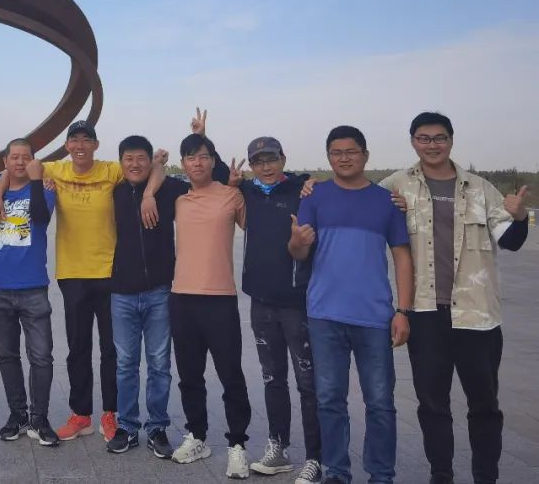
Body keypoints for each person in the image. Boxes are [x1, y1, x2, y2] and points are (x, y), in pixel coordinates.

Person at [381, 112, 529, 484]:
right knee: (432, 404)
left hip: (477, 316)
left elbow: (510, 242)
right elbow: (354, 202)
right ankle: (441, 474)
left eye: (439, 138)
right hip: (425, 314)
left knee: (484, 403)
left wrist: (520, 217)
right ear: (413, 141)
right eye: (424, 138)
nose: (432, 145)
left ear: (451, 140)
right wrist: (308, 189)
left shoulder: (481, 188)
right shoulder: (396, 185)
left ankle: (486, 476)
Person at [0, 119, 164, 442]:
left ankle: (110, 414)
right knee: (78, 347)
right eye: (74, 140)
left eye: (86, 140)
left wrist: (149, 194)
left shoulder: (110, 170)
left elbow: (154, 167)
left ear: (95, 145)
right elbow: (17, 168)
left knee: (111, 349)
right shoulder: (56, 170)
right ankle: (81, 414)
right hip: (72, 273)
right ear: (67, 146)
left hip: (110, 272)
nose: (80, 146)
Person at [289, 125, 414, 484]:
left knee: (380, 402)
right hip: (324, 315)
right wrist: (297, 241)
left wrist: (403, 311)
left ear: (365, 155)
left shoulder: (386, 201)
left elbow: (402, 256)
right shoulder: (314, 196)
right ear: (329, 157)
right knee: (329, 399)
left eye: (351, 151)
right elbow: (298, 252)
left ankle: (381, 475)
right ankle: (337, 472)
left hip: (374, 317)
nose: (344, 158)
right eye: (336, 152)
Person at [107, 121, 226, 460]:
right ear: (120, 162)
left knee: (159, 363)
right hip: (121, 292)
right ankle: (127, 426)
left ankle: (157, 426)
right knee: (126, 364)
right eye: (128, 158)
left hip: (160, 291)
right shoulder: (114, 191)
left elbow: (210, 176)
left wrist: (201, 138)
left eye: (141, 158)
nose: (135, 164)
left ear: (151, 161)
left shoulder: (169, 189)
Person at [237, 137, 323, 484]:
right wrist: (201, 134)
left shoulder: (303, 190)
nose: (266, 167)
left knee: (308, 382)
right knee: (273, 378)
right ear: (251, 166)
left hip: (297, 303)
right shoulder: (248, 191)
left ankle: (316, 457)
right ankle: (279, 448)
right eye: (258, 162)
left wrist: (310, 181)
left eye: (271, 159)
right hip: (261, 301)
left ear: (283, 159)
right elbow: (209, 168)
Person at [168, 133, 253, 479]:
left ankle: (237, 445)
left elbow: (255, 224)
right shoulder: (179, 198)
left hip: (220, 298)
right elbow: (151, 178)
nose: (197, 163)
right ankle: (197, 436)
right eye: (191, 158)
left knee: (231, 374)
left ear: (212, 160)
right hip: (181, 297)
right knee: (189, 376)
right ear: (183, 164)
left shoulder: (232, 194)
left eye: (203, 156)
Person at [0, 139, 59, 446]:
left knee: (41, 356)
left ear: (34, 161)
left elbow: (41, 217)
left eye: (25, 157)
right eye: (14, 157)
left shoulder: (46, 188)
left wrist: (36, 179)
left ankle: (39, 418)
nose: (19, 162)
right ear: (5, 161)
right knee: (7, 355)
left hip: (33, 287)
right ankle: (17, 415)